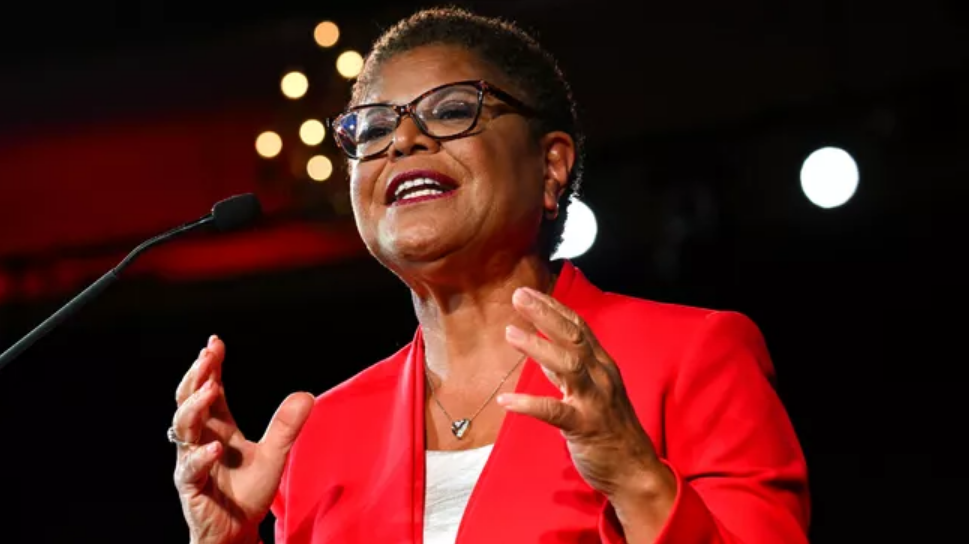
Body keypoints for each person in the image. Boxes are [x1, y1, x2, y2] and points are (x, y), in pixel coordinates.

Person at [170, 7, 810, 544]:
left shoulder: (691, 357)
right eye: (374, 127)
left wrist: (636, 477)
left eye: (452, 111)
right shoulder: (322, 437)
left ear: (551, 165)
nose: (403, 140)